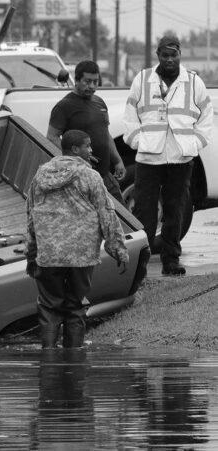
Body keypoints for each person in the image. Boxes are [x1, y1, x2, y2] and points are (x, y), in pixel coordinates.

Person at [26, 130, 129, 349]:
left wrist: (32, 254)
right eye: (87, 146)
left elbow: (31, 216)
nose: (91, 150)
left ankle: (49, 359)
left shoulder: (40, 175)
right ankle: (73, 359)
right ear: (75, 149)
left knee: (49, 306)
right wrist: (118, 249)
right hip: (81, 255)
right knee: (75, 306)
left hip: (49, 254)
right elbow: (107, 214)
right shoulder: (90, 176)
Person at [123, 35, 213, 276]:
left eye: (174, 55)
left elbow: (207, 115)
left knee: (176, 210)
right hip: (148, 159)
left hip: (180, 158)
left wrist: (195, 143)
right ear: (158, 55)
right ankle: (139, 265)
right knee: (145, 213)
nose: (170, 59)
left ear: (180, 54)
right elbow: (130, 114)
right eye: (165, 55)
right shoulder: (142, 79)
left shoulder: (194, 82)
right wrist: (136, 141)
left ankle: (171, 261)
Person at [47, 60, 126, 202]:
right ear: (76, 80)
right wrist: (74, 161)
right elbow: (52, 137)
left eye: (96, 82)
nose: (92, 86)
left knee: (122, 219)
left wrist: (118, 160)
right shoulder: (63, 106)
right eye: (87, 81)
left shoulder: (100, 102)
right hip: (80, 179)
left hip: (105, 175)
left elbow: (106, 134)